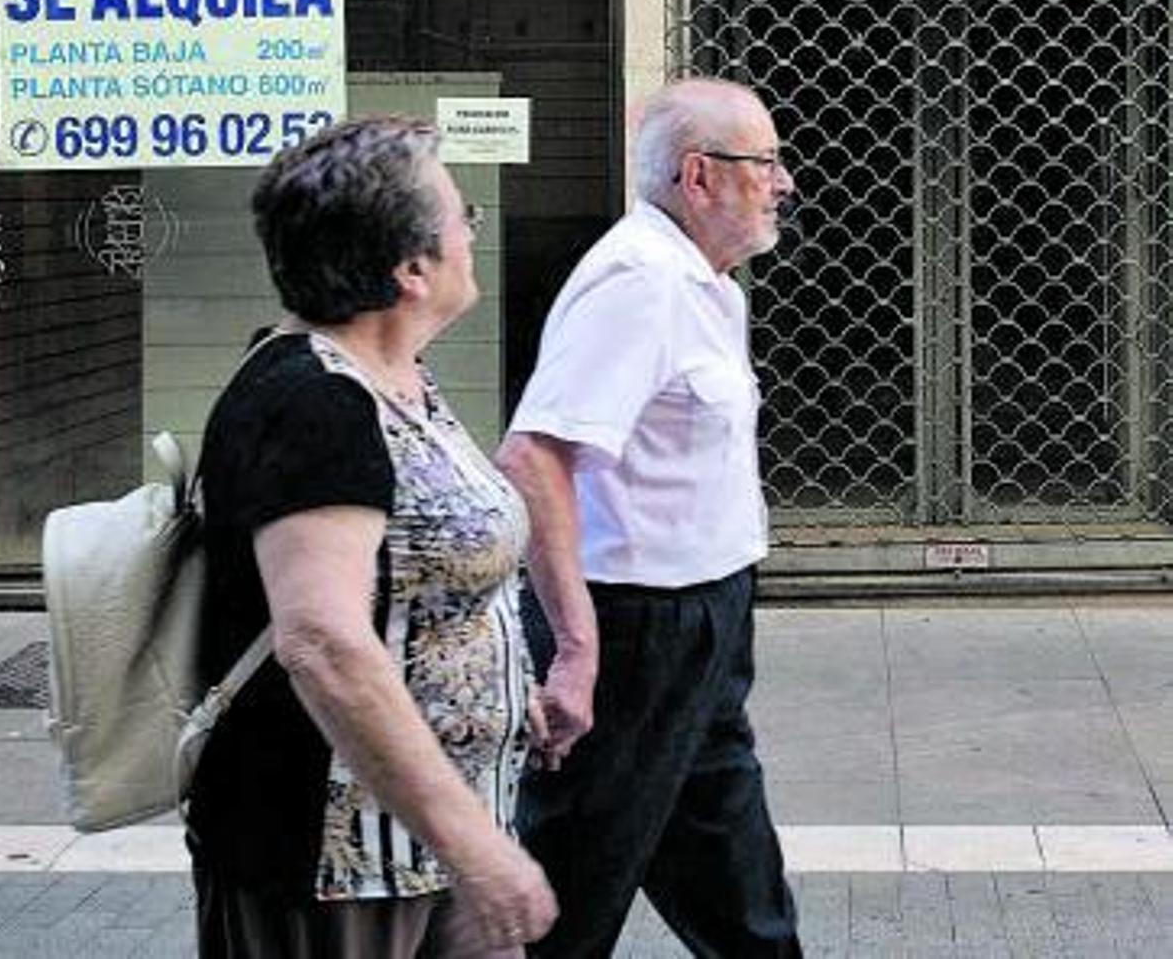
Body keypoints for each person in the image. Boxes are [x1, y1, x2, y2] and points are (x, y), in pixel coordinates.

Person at [185, 115, 557, 958]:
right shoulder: (312, 400)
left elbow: (418, 568)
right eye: (463, 215)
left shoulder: (397, 378)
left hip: (438, 847)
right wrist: (476, 848)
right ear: (411, 268)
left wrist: (501, 674)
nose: (474, 232)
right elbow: (322, 642)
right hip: (340, 862)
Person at [496, 77, 803, 958]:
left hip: (705, 616)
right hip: (635, 629)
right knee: (573, 887)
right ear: (699, 175)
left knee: (733, 871)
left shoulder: (707, 284)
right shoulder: (638, 283)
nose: (782, 182)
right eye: (767, 163)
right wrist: (579, 651)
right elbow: (535, 457)